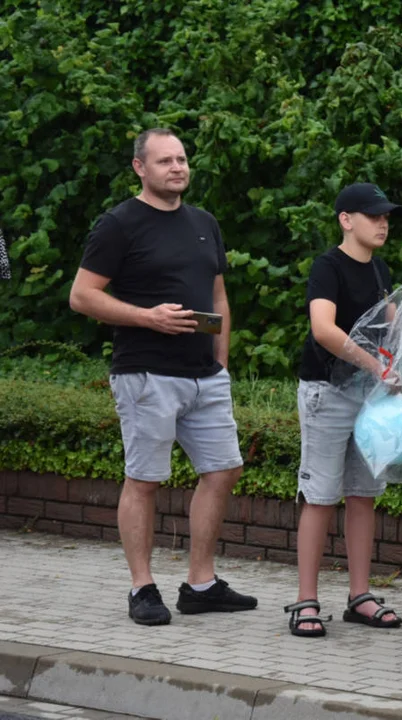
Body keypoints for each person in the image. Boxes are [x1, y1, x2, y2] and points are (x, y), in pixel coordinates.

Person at [69, 128, 256, 626]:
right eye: (165, 161)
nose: (177, 168)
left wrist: (222, 361)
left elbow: (218, 298)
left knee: (222, 472)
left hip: (205, 376)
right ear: (140, 168)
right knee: (145, 480)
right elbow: (82, 296)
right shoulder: (119, 224)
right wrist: (147, 317)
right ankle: (142, 587)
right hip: (146, 372)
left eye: (182, 159)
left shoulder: (204, 223)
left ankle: (201, 584)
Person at [284, 183, 402, 638]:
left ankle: (360, 597)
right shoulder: (328, 266)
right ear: (346, 219)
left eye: (386, 216)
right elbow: (323, 329)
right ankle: (305, 600)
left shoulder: (381, 269)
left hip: (368, 398)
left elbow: (393, 331)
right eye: (373, 215)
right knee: (320, 496)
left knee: (363, 494)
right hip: (327, 393)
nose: (383, 223)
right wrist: (375, 364)